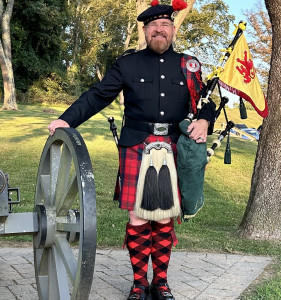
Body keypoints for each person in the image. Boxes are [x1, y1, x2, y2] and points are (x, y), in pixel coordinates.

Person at [48, 1, 216, 299]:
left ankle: (160, 284)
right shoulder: (128, 63)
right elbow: (98, 95)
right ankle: (139, 283)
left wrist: (204, 119)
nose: (159, 30)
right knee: (138, 218)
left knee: (164, 217)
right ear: (145, 30)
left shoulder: (189, 65)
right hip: (137, 144)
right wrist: (67, 119)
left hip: (174, 146)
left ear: (173, 29)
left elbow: (206, 101)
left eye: (164, 25)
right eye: (153, 26)